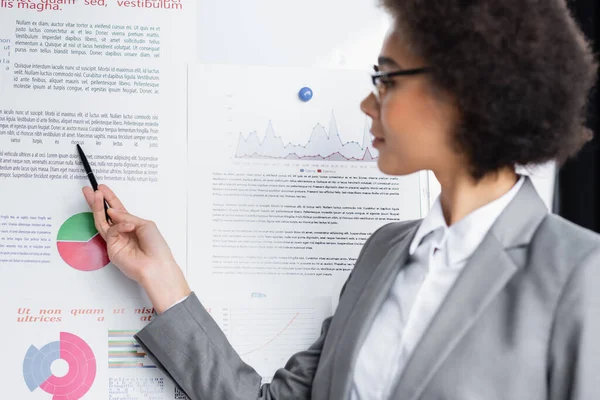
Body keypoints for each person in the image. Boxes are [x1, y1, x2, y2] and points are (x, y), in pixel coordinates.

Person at [82, 0, 600, 399]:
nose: (366, 103)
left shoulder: (579, 273)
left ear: (465, 94)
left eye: (387, 79)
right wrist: (161, 278)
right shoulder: (385, 252)